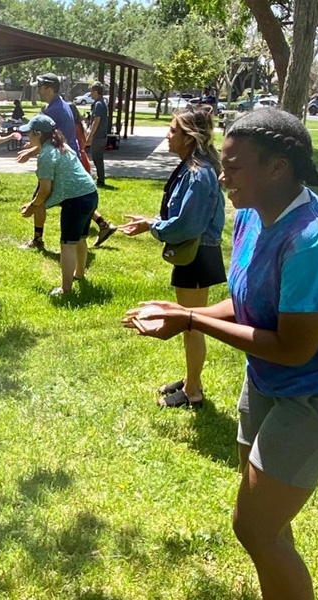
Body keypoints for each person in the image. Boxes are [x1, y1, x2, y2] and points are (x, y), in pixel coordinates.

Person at [124, 107, 318, 600]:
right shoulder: (250, 217)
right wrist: (181, 310)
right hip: (266, 381)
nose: (222, 176)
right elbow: (246, 303)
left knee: (254, 528)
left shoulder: (313, 242)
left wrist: (192, 319)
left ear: (278, 169)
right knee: (266, 523)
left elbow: (295, 348)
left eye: (234, 166)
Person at [118, 105, 225, 408]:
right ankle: (193, 380)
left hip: (198, 256)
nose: (167, 135)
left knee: (191, 325)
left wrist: (153, 225)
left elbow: (188, 225)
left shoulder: (199, 173)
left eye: (173, 130)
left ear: (189, 137)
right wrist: (150, 222)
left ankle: (193, 392)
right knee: (190, 324)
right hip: (195, 254)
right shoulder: (193, 167)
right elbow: (181, 217)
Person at [18, 73, 117, 250]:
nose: (38, 91)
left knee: (39, 198)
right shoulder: (62, 104)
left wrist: (30, 152)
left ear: (49, 88)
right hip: (69, 159)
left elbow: (50, 141)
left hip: (61, 161)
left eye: (40, 88)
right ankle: (103, 225)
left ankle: (37, 240)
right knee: (73, 195)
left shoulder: (53, 110)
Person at [18, 115, 98, 295]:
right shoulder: (60, 145)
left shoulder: (46, 155)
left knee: (67, 244)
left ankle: (66, 289)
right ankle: (79, 275)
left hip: (75, 200)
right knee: (81, 239)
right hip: (90, 194)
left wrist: (32, 206)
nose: (27, 136)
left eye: (29, 133)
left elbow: (45, 190)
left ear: (38, 133)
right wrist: (31, 152)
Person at [84, 81, 109, 187]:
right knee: (97, 158)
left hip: (98, 136)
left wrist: (90, 136)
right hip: (100, 135)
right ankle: (100, 178)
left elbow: (96, 121)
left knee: (97, 158)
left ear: (96, 91)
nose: (90, 94)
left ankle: (101, 180)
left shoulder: (99, 104)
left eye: (91, 91)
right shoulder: (101, 103)